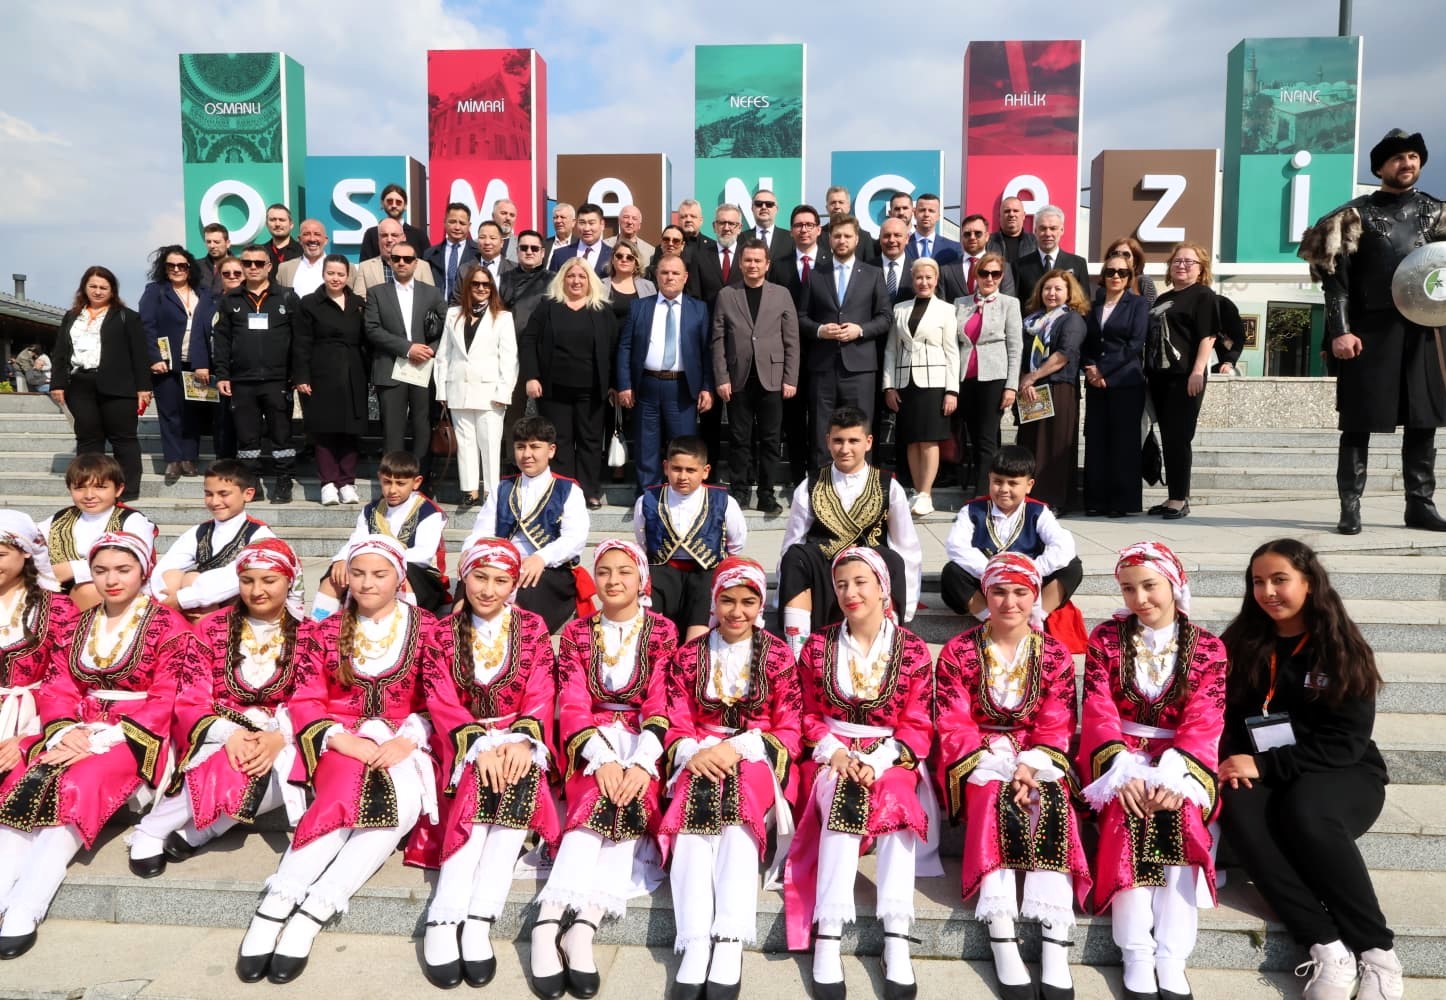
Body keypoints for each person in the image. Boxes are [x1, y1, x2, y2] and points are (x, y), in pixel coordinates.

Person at [235, 536, 438, 985]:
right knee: (340, 801)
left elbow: (439, 698)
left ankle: (314, 910)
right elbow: (307, 698)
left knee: (402, 803)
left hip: (404, 740)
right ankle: (276, 904)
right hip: (341, 738)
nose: (367, 583)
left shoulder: (428, 629)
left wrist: (409, 738)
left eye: (379, 574)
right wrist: (341, 740)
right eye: (358, 573)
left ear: (400, 578)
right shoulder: (324, 631)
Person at [1218, 540, 1404, 1000]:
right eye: (1258, 581)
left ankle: (1378, 953)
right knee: (1239, 806)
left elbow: (1345, 742)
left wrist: (1264, 764)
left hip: (1342, 771)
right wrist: (1238, 762)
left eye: (1280, 579)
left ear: (1309, 583)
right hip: (1266, 769)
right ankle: (1326, 945)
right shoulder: (1239, 643)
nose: (1267, 591)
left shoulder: (1340, 647)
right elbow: (1222, 717)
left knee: (1305, 810)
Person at [0, 531, 193, 960]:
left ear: (144, 570)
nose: (111, 580)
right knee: (22, 776)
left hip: (135, 733)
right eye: (101, 570)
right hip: (77, 727)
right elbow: (58, 684)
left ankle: (28, 903)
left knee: (79, 784)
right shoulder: (78, 623)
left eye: (123, 570)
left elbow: (169, 696)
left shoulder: (169, 626)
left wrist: (103, 737)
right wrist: (64, 729)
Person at [934, 552, 1090, 1000]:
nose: (1009, 602)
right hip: (978, 755)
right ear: (985, 595)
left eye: (1021, 592)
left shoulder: (1054, 653)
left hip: (1036, 754)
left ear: (1035, 595)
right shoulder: (959, 651)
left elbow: (1058, 721)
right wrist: (998, 763)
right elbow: (953, 721)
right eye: (999, 592)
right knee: (992, 794)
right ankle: (1001, 933)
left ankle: (1054, 937)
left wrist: (1030, 764)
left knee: (1052, 798)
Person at [783, 547, 935, 999]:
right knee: (841, 794)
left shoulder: (912, 649)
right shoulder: (818, 646)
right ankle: (829, 931)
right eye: (842, 584)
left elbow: (918, 722)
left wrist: (878, 760)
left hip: (890, 754)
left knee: (898, 802)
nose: (850, 592)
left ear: (883, 588)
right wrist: (834, 751)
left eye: (860, 582)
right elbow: (807, 713)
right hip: (832, 753)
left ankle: (896, 933)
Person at [529, 540, 676, 1000]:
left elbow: (661, 699)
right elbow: (572, 700)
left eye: (624, 572)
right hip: (590, 740)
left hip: (643, 739)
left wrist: (641, 762)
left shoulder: (663, 631)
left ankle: (584, 927)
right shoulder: (577, 632)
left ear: (641, 580)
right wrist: (603, 756)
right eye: (605, 571)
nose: (613, 581)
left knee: (631, 799)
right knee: (595, 796)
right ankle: (548, 921)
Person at [1079, 542, 1226, 1000]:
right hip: (1119, 756)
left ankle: (1172, 954)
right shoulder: (1106, 638)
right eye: (1128, 588)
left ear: (1174, 584)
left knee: (1181, 816)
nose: (1140, 598)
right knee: (1126, 814)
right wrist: (1122, 767)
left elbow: (1205, 719)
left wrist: (1175, 774)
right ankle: (1136, 951)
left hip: (1181, 760)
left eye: (1149, 586)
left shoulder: (1209, 647)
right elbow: (1098, 708)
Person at [659, 556, 802, 999]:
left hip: (755, 755)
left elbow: (789, 727)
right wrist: (692, 751)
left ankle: (729, 938)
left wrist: (737, 748)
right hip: (700, 753)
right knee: (690, 816)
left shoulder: (778, 655)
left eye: (748, 602)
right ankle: (694, 939)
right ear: (714, 601)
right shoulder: (689, 655)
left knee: (739, 818)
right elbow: (676, 718)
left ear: (761, 605)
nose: (737, 612)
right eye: (727, 601)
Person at [419, 537, 558, 990]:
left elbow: (542, 688)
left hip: (518, 737)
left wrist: (521, 741)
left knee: (518, 784)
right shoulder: (442, 632)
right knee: (477, 791)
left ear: (514, 584)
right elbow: (439, 697)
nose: (488, 589)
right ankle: (444, 915)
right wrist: (478, 745)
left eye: (501, 580)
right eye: (480, 577)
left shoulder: (533, 627)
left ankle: (480, 918)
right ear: (465, 577)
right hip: (460, 741)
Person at [125, 538, 307, 877]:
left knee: (293, 760)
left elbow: (310, 695)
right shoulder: (211, 627)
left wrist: (278, 737)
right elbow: (191, 695)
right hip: (218, 724)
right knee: (229, 759)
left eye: (269, 580)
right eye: (247, 580)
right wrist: (230, 733)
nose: (257, 591)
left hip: (282, 731)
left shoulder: (310, 632)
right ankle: (154, 828)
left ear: (289, 580)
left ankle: (206, 828)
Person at [1299, 129, 1446, 536]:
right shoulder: (1351, 217)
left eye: (1413, 156)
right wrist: (1340, 331)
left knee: (1423, 421)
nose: (1407, 163)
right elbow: (1336, 285)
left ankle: (1420, 505)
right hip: (1370, 332)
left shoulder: (1438, 213)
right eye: (1398, 157)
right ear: (1380, 168)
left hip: (1425, 331)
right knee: (1358, 420)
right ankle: (1350, 507)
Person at [778, 407, 923, 656]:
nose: (845, 449)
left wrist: (908, 605)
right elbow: (794, 537)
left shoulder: (889, 486)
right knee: (795, 555)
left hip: (869, 575)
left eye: (853, 441)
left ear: (868, 442)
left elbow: (906, 546)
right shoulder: (810, 484)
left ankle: (886, 646)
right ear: (828, 441)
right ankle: (798, 653)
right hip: (825, 572)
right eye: (838, 440)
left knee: (892, 558)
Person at [464, 416, 592, 634]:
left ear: (551, 450)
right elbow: (482, 532)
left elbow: (574, 539)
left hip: (549, 569)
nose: (526, 454)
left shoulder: (569, 490)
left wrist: (541, 557)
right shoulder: (502, 488)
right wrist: (469, 553)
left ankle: (517, 643)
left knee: (522, 604)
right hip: (500, 564)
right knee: (469, 586)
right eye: (520, 447)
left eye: (535, 447)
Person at [940, 446, 1084, 619]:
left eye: (1013, 483)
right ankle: (990, 619)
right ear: (989, 479)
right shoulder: (972, 511)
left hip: (1027, 585)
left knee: (1072, 567)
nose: (1004, 489)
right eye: (997, 481)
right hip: (986, 582)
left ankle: (1034, 618)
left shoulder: (1038, 512)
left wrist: (1028, 571)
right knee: (952, 572)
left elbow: (1063, 545)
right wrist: (993, 572)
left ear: (1029, 485)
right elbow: (956, 546)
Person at [520, 258, 618, 508]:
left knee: (590, 441)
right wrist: (531, 376)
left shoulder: (602, 310)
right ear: (562, 279)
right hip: (554, 389)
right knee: (559, 441)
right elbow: (529, 341)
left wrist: (614, 383)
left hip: (592, 390)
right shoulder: (547, 307)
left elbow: (614, 348)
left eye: (581, 276)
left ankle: (589, 491)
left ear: (590, 280)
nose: (576, 281)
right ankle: (564, 492)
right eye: (571, 276)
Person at [712, 239, 799, 514]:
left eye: (757, 260)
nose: (752, 265)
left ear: (767, 264)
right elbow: (718, 340)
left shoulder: (781, 294)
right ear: (740, 263)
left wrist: (790, 378)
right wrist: (721, 377)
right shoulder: (727, 294)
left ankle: (766, 494)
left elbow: (792, 340)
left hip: (772, 378)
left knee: (771, 440)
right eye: (748, 260)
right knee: (739, 439)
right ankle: (739, 493)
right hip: (737, 378)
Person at [49, 266, 151, 500]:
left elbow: (139, 354)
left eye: (103, 287)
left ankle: (127, 491)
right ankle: (89, 487)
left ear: (112, 290)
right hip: (80, 384)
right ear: (84, 288)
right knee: (88, 438)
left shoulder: (127, 316)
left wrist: (144, 388)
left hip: (119, 386)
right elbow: (60, 352)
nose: (97, 291)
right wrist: (57, 383)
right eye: (93, 286)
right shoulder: (72, 316)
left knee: (123, 439)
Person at [632, 436, 748, 643]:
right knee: (652, 622)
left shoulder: (724, 502)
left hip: (705, 572)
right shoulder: (647, 501)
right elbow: (643, 542)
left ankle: (693, 649)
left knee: (703, 606)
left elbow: (736, 543)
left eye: (691, 470)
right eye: (676, 469)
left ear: (705, 471)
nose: (683, 476)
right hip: (662, 572)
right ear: (666, 467)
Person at [616, 253, 715, 495]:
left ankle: (681, 497)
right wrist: (625, 384)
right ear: (657, 276)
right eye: (664, 272)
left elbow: (707, 352)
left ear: (685, 277)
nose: (670, 277)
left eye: (675, 273)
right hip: (646, 386)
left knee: (683, 447)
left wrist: (707, 387)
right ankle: (648, 498)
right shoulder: (640, 306)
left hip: (682, 388)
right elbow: (625, 347)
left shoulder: (699, 309)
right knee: (646, 446)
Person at [799, 215, 892, 468]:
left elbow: (885, 317)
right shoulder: (815, 275)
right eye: (837, 236)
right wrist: (820, 330)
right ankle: (822, 485)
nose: (842, 240)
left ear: (857, 239)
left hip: (860, 368)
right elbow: (801, 317)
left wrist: (859, 330)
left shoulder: (873, 274)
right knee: (822, 430)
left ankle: (862, 485)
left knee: (860, 429)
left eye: (847, 236)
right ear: (829, 239)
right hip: (823, 367)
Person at [213, 244, 302, 503]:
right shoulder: (230, 300)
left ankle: (284, 482)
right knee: (247, 438)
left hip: (278, 380)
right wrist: (223, 374)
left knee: (281, 435)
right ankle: (251, 484)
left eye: (259, 263)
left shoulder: (286, 297)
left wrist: (297, 375)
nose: (253, 267)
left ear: (269, 266)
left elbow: (299, 340)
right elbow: (222, 340)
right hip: (242, 381)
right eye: (247, 263)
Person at [314, 449, 449, 617]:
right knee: (335, 575)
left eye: (400, 483)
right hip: (374, 569)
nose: (392, 490)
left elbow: (423, 555)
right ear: (379, 478)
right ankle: (319, 625)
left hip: (420, 577)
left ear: (416, 482)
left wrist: (384, 560)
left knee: (400, 576)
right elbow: (357, 541)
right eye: (387, 482)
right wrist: (341, 559)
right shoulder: (371, 510)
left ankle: (406, 626)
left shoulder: (429, 512)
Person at [1146, 241, 1220, 521]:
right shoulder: (1162, 298)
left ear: (1201, 268)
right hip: (1159, 377)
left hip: (1186, 376)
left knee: (1179, 437)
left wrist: (1198, 371)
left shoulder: (1203, 295)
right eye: (1177, 261)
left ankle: (1181, 499)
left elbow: (1208, 336)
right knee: (1168, 437)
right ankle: (1172, 496)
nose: (1182, 265)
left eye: (1189, 262)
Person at [435, 261, 518, 508]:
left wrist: (504, 391)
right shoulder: (453, 314)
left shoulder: (502, 317)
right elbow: (444, 355)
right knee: (465, 443)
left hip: (490, 392)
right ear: (467, 287)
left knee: (490, 444)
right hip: (458, 388)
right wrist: (442, 389)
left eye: (486, 284)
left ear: (492, 288)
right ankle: (469, 490)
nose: (481, 288)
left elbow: (509, 358)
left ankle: (492, 492)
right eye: (476, 284)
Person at [883, 257, 960, 517]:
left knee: (928, 440)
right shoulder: (900, 309)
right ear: (912, 279)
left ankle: (927, 493)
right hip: (905, 383)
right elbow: (891, 350)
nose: (923, 282)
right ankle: (917, 491)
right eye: (918, 277)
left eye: (928, 277)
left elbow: (952, 352)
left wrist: (952, 391)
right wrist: (889, 386)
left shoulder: (946, 310)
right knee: (911, 440)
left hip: (934, 383)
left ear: (936, 280)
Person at [151, 459, 275, 618]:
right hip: (197, 603)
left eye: (223, 494)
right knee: (172, 576)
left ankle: (212, 628)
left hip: (240, 610)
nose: (215, 502)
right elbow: (164, 568)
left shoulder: (261, 535)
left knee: (193, 579)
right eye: (209, 494)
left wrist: (185, 599)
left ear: (248, 494)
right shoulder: (199, 531)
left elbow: (235, 578)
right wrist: (170, 599)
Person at [0, 511, 75, 767]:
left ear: (26, 552)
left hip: (37, 722)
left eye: (1, 555)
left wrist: (29, 737)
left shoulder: (59, 609)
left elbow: (65, 683)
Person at [293, 254, 368, 507]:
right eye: (331, 273)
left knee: (350, 430)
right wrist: (301, 375)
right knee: (323, 430)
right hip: (320, 372)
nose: (335, 278)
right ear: (323, 274)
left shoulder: (358, 303)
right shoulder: (309, 303)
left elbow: (366, 340)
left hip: (353, 372)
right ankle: (327, 483)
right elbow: (301, 342)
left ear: (348, 276)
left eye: (340, 274)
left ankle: (347, 482)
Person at [364, 241, 446, 464]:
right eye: (396, 258)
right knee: (392, 429)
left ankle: (421, 477)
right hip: (390, 367)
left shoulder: (432, 293)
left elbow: (448, 328)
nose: (401, 263)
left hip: (423, 368)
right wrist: (408, 348)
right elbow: (372, 329)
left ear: (416, 263)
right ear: (390, 262)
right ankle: (393, 477)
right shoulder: (377, 293)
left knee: (422, 425)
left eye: (407, 259)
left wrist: (430, 350)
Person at [40, 454, 156, 611]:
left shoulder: (132, 520)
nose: (89, 495)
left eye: (100, 487)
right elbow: (28, 542)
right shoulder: (59, 519)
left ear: (118, 489)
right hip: (60, 591)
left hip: (118, 592)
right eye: (79, 488)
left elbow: (136, 563)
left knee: (87, 591)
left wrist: (71, 569)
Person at [1082, 252, 1151, 517]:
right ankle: (1096, 500)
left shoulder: (1137, 304)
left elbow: (1135, 344)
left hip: (1125, 382)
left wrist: (1104, 370)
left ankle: (1122, 503)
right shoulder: (1093, 305)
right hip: (1095, 383)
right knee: (1096, 440)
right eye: (1110, 271)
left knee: (1123, 444)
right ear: (1103, 276)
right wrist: (1090, 368)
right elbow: (1086, 341)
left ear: (1129, 276)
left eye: (1122, 272)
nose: (1116, 276)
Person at [140, 245, 215, 485]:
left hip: (197, 362)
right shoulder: (155, 291)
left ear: (189, 267)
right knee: (170, 411)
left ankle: (189, 457)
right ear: (164, 268)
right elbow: (146, 327)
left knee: (193, 412)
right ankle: (173, 459)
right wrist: (154, 357)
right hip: (167, 364)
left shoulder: (203, 292)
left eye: (181, 265)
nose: (176, 269)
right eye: (171, 265)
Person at [1016, 270, 1090, 513]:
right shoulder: (1032, 321)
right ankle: (1030, 497)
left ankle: (1053, 500)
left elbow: (1064, 354)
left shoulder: (1072, 319)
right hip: (1031, 389)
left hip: (1058, 388)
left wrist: (1034, 376)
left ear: (1069, 293)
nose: (1052, 293)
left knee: (1053, 445)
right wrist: (1025, 381)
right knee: (1031, 444)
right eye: (1047, 288)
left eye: (1058, 289)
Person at [954, 252, 1023, 496]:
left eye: (995, 274)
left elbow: (1015, 346)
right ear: (976, 274)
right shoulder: (960, 303)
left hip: (994, 377)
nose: (989, 278)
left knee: (986, 438)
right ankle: (982, 483)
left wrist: (1011, 386)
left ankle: (983, 494)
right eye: (984, 273)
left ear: (1001, 276)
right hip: (965, 377)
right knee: (973, 436)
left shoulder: (1009, 303)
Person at [1013, 206, 1090, 302]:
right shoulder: (1019, 266)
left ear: (1062, 230)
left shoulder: (1078, 264)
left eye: (1053, 228)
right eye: (1043, 228)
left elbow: (1084, 302)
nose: (1048, 233)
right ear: (1035, 231)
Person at [351, 218, 437, 296]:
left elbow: (431, 298)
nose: (389, 240)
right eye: (384, 235)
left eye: (394, 235)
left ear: (404, 238)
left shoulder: (422, 266)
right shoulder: (365, 267)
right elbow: (359, 300)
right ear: (378, 239)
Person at [943, 214, 1018, 300]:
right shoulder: (946, 271)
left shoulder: (1004, 267)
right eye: (967, 234)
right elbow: (941, 305)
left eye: (978, 233)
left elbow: (1007, 302)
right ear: (962, 237)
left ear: (987, 237)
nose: (972, 237)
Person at [424, 203, 481, 304]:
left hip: (468, 309)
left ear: (469, 226)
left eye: (462, 223)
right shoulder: (430, 254)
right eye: (452, 222)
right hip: (437, 309)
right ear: (445, 223)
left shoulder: (479, 254)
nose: (457, 227)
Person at [359, 183, 427, 262]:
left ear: (405, 205)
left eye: (398, 202)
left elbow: (425, 266)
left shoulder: (418, 235)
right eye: (390, 201)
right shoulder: (372, 234)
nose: (394, 205)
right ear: (382, 203)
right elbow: (365, 265)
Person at [549, 202, 612, 275]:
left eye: (591, 223)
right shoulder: (560, 255)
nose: (586, 228)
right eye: (582, 223)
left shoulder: (613, 255)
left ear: (602, 225)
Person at [275, 219, 330, 298]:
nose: (312, 239)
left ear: (325, 240)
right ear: (300, 240)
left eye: (317, 234)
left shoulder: (342, 268)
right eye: (306, 234)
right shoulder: (285, 268)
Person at [905, 193, 961, 265]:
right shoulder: (902, 245)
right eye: (922, 210)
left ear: (938, 216)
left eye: (931, 211)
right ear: (915, 214)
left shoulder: (953, 248)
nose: (926, 214)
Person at [1103, 236, 1158, 306]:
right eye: (1115, 254)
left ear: (1135, 260)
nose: (1120, 258)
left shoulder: (1144, 281)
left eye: (1126, 255)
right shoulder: (1107, 282)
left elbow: (1153, 309)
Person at [987, 196, 1039, 265]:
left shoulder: (1035, 242)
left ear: (1023, 215)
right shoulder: (988, 242)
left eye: (1015, 211)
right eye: (1007, 211)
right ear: (1000, 216)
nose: (1011, 214)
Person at [749, 189, 793, 260]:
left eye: (769, 204)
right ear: (752, 209)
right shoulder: (741, 238)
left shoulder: (791, 238)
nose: (764, 207)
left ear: (776, 209)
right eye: (758, 204)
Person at [474, 219, 518, 289]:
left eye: (493, 238)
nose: (487, 242)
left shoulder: (515, 270)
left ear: (501, 243)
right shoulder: (465, 269)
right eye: (482, 237)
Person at [198, 222, 231, 294]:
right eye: (208, 242)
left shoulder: (240, 267)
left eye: (216, 242)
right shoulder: (196, 266)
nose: (212, 246)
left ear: (228, 243)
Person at [543, 202, 578, 270]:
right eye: (555, 217)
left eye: (562, 217)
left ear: (573, 222)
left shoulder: (580, 245)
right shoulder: (543, 244)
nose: (558, 221)